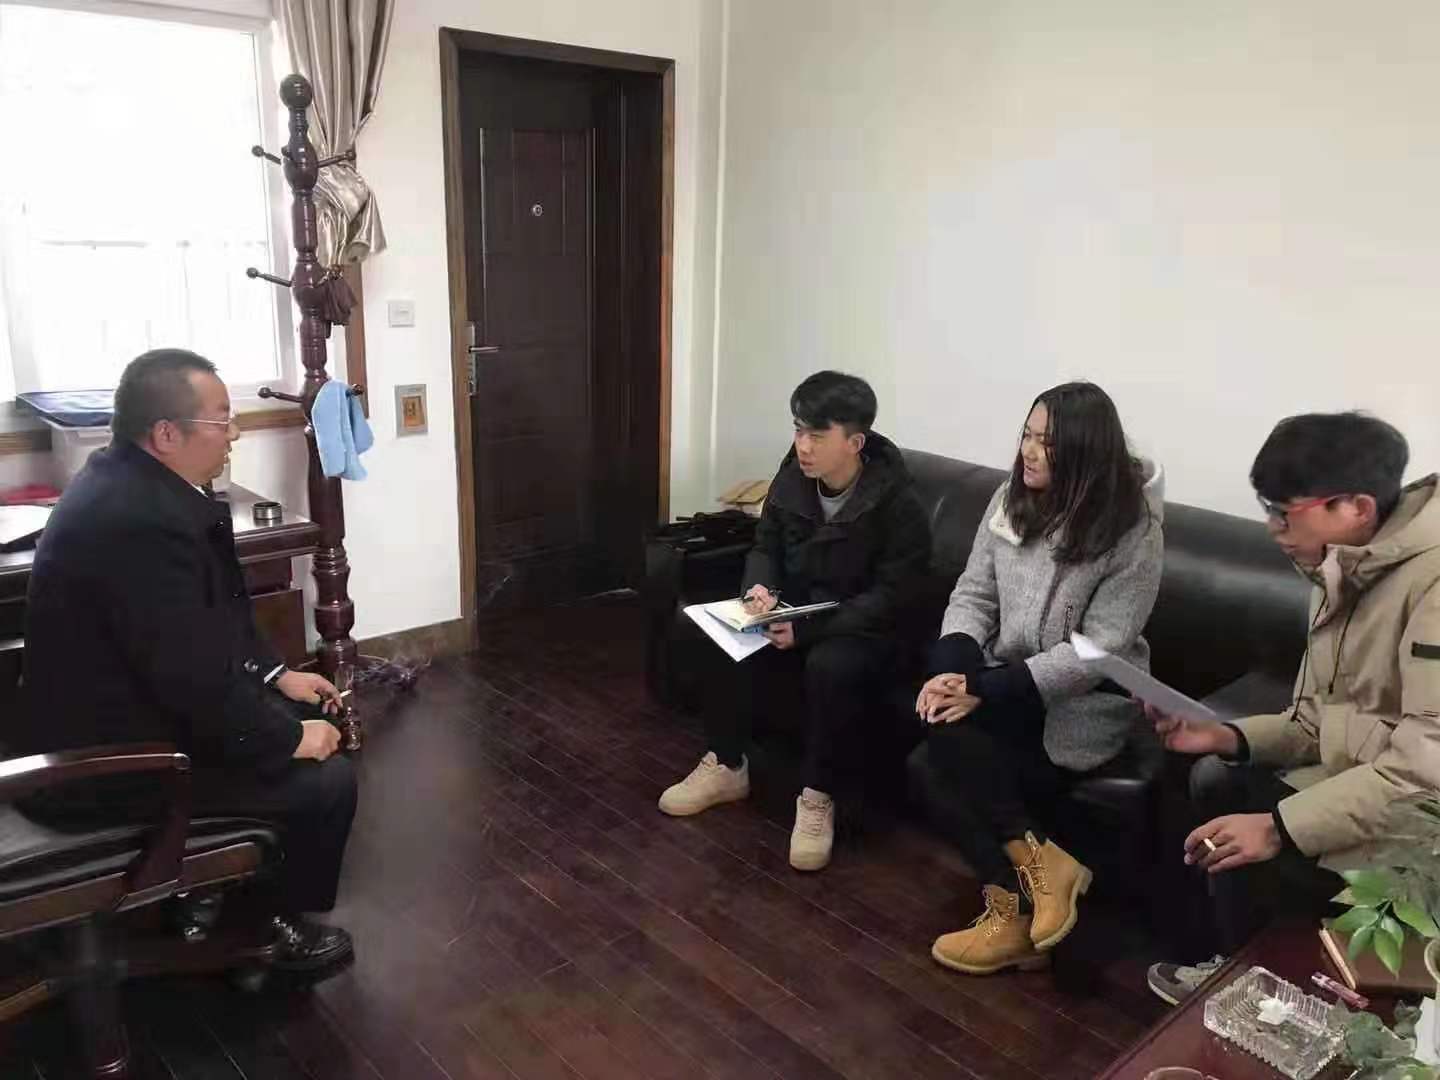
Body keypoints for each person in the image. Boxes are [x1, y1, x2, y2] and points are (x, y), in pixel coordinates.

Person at [17, 348, 357, 973]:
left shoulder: (130, 484)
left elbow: (214, 618)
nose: (234, 433)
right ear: (166, 434)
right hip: (104, 764)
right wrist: (287, 739)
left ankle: (213, 890)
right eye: (221, 420)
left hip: (124, 718)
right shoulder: (137, 523)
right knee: (325, 781)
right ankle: (265, 930)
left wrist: (278, 675)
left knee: (309, 719)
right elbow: (189, 680)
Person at [1145, 412, 1440, 1006]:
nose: (1273, 529)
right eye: (1268, 509)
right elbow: (1312, 719)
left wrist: (1280, 828)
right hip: (1363, 782)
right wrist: (1223, 736)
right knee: (1217, 781)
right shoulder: (1342, 565)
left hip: (1421, 825)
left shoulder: (1430, 585)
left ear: (1356, 507)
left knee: (1250, 843)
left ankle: (1273, 1003)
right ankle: (1244, 976)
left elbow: (1424, 771)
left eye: (1285, 513)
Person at [912, 382, 1164, 975]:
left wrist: (982, 690)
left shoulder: (1133, 530)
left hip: (1082, 703)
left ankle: (1017, 908)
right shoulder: (1009, 498)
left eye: (1046, 442)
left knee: (936, 762)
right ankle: (1035, 884)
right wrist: (953, 669)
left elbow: (1099, 651)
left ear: (1085, 450)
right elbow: (974, 593)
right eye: (1027, 434)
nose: (1028, 451)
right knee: (931, 736)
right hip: (1008, 681)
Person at [658, 371, 931, 871]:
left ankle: (817, 796)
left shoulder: (897, 502)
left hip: (866, 628)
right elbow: (765, 546)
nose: (803, 446)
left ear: (854, 443)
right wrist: (759, 592)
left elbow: (895, 595)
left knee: (830, 666)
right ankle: (726, 764)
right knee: (722, 630)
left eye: (816, 435)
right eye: (798, 430)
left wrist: (812, 628)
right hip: (797, 610)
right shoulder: (792, 479)